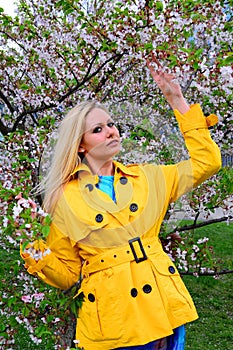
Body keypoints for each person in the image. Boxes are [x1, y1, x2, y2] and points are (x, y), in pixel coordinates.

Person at [20, 57, 221, 350]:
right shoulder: (64, 198)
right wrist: (34, 251)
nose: (111, 131)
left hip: (160, 308)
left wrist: (177, 100)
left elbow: (208, 162)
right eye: (98, 129)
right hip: (112, 318)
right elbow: (66, 274)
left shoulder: (148, 177)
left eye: (111, 124)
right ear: (80, 145)